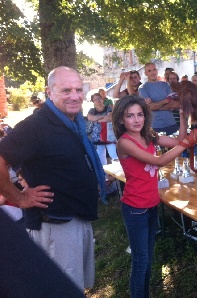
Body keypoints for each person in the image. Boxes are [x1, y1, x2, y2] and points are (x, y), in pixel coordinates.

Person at [0, 66, 106, 291]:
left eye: (78, 89)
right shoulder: (36, 125)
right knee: (59, 291)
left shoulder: (72, 121)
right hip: (56, 226)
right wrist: (19, 198)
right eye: (66, 90)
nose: (75, 96)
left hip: (77, 217)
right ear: (49, 92)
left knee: (77, 287)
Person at [112, 95, 197, 297]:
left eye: (140, 114)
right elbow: (159, 161)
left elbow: (178, 141)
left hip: (150, 204)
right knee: (141, 261)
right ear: (121, 120)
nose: (136, 119)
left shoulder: (147, 134)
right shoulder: (125, 142)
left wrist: (183, 117)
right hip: (135, 208)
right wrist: (190, 141)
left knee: (147, 258)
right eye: (130, 116)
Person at [139, 63, 181, 135]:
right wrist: (166, 100)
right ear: (146, 73)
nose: (153, 72)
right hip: (155, 126)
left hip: (171, 123)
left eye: (154, 69)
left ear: (157, 70)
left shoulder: (166, 85)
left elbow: (174, 104)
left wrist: (156, 106)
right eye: (149, 70)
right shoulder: (143, 88)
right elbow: (149, 107)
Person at [87, 92, 118, 165]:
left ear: (102, 99)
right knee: (101, 159)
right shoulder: (92, 110)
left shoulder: (108, 108)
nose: (98, 100)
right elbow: (90, 118)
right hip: (97, 137)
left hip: (109, 136)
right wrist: (102, 117)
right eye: (95, 99)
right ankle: (105, 175)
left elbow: (109, 118)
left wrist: (96, 119)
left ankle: (117, 174)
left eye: (99, 98)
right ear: (93, 101)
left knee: (114, 156)